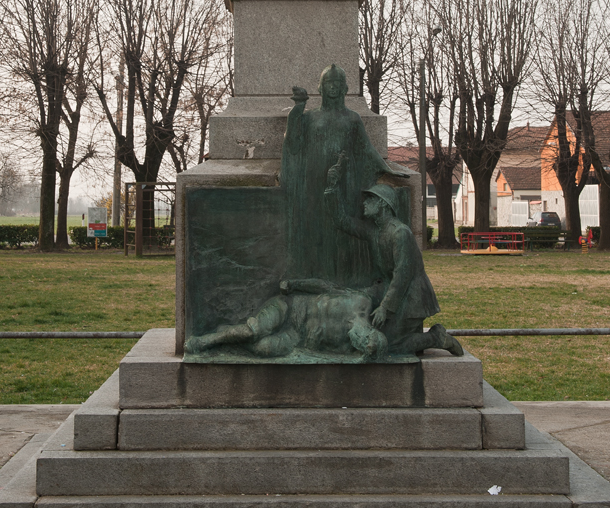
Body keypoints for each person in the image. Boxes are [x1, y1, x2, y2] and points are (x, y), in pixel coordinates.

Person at [280, 63, 409, 284]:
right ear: (320, 88)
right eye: (329, 83)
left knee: (342, 230)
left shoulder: (352, 119)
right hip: (314, 183)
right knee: (316, 228)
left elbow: (366, 148)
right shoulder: (310, 118)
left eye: (337, 84)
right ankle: (314, 274)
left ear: (345, 88)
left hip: (345, 185)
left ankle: (344, 278)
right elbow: (292, 143)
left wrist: (386, 168)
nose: (333, 88)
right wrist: (298, 108)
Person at [324, 153, 463, 356]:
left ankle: (436, 338)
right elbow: (342, 221)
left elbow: (402, 276)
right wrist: (332, 187)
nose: (364, 203)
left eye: (370, 199)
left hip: (412, 296)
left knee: (390, 346)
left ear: (382, 204)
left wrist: (385, 308)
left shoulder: (400, 233)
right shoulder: (375, 231)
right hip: (392, 291)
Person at [184, 279, 389, 361]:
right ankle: (207, 340)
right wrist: (294, 284)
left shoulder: (346, 348)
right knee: (252, 332)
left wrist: (308, 345)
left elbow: (312, 353)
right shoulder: (361, 301)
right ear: (371, 332)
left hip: (295, 337)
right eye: (364, 340)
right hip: (290, 308)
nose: (357, 342)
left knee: (262, 348)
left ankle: (230, 333)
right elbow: (325, 287)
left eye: (361, 347)